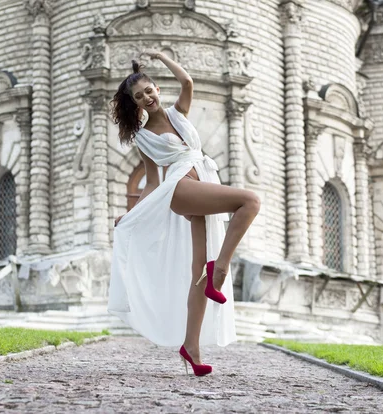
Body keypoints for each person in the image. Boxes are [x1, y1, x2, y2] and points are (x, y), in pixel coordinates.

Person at [108, 51, 260, 376]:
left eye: (149, 91)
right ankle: (220, 269)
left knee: (197, 277)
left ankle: (191, 347)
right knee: (250, 201)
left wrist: (161, 56)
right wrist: (130, 214)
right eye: (139, 97)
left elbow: (187, 81)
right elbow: (151, 183)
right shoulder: (142, 137)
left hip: (201, 182)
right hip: (181, 188)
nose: (146, 98)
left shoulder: (179, 113)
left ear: (157, 90)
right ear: (135, 104)